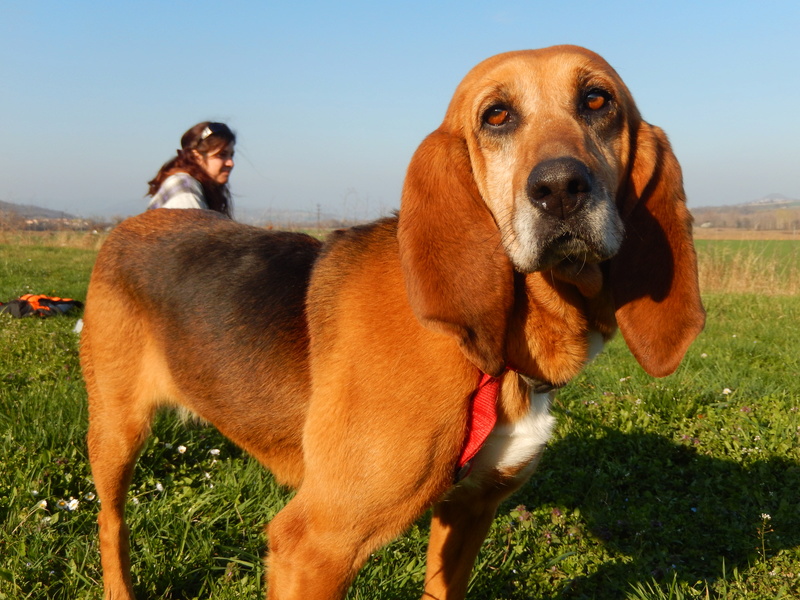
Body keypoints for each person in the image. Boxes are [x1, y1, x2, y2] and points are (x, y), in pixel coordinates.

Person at [146, 121, 236, 217]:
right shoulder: (184, 188)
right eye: (222, 155)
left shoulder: (196, 187)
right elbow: (193, 230)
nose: (230, 163)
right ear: (197, 157)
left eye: (231, 155)